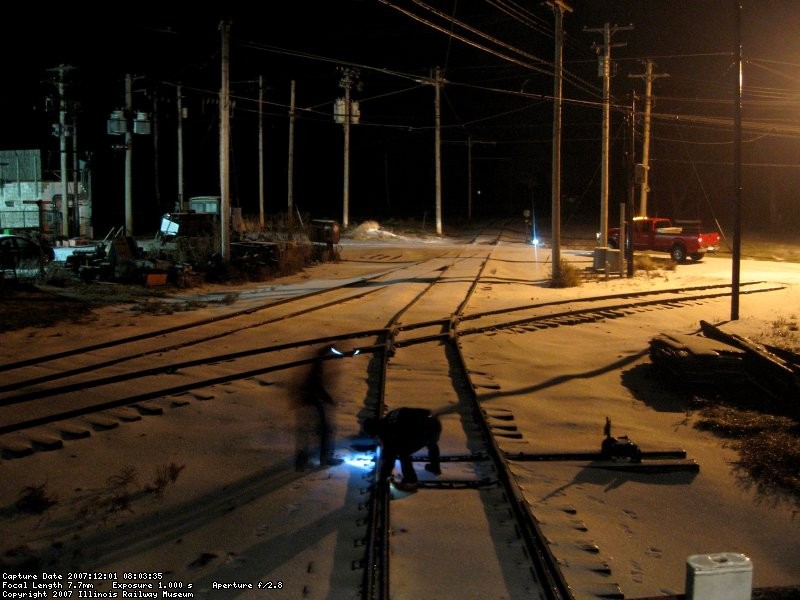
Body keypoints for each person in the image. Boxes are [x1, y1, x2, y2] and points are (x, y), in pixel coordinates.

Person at [362, 407, 442, 491]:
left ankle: (411, 481)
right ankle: (435, 467)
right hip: (434, 424)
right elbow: (421, 411)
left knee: (403, 452)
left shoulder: (387, 434)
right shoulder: (392, 413)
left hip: (423, 433)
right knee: (432, 444)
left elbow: (389, 461)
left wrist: (383, 479)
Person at [291, 346, 344, 470]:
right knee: (325, 429)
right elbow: (316, 384)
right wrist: (328, 399)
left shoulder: (316, 362)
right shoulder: (317, 364)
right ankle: (324, 458)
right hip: (312, 400)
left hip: (307, 400)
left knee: (307, 432)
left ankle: (302, 462)